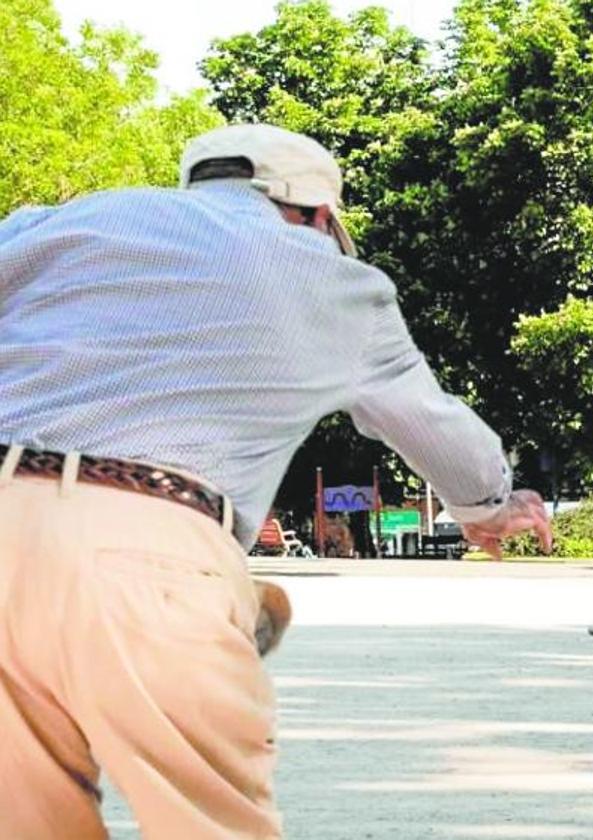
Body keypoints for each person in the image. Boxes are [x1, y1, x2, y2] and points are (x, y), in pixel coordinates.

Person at [0, 123, 552, 839]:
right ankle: (218, 607)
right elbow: (431, 423)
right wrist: (487, 505)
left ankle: (226, 603)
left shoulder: (51, 227)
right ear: (319, 215)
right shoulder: (330, 275)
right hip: (145, 549)